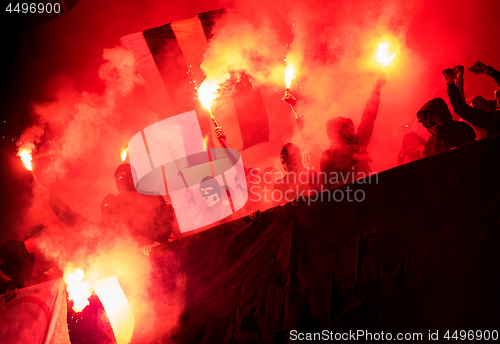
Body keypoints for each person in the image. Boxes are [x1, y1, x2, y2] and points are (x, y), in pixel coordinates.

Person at [320, 71, 386, 186]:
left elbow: (368, 119)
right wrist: (352, 161)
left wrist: (377, 88)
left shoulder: (357, 144)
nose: (352, 127)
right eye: (346, 125)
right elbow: (328, 186)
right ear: (337, 130)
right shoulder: (328, 155)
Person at [444, 62, 500, 136]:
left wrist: (489, 71)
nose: (472, 97)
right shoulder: (493, 121)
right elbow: (461, 108)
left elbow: (461, 108)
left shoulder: (493, 122)